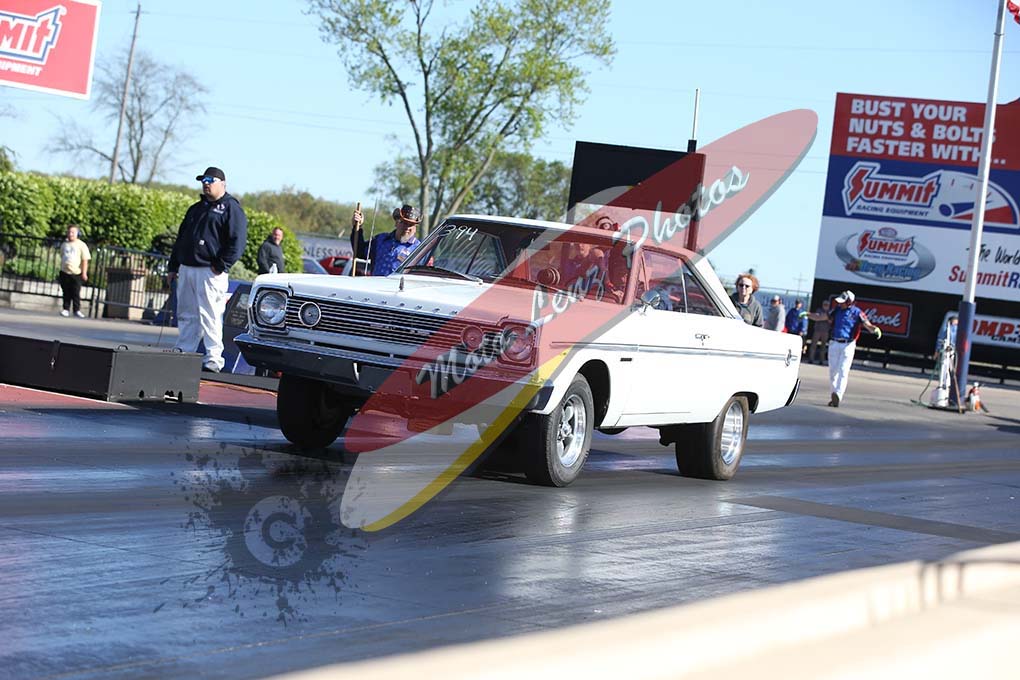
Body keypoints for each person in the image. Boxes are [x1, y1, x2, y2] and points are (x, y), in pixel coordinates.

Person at [168, 166, 248, 373]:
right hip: (188, 267)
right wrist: (173, 266)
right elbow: (181, 238)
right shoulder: (196, 208)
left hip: (209, 271)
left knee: (210, 314)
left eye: (211, 180)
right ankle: (184, 350)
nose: (206, 183)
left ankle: (213, 358)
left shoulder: (231, 208)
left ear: (223, 184)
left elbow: (237, 241)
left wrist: (221, 265)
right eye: (204, 180)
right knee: (187, 313)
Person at [803, 290, 882, 407]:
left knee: (843, 371)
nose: (840, 303)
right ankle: (834, 394)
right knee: (833, 372)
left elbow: (867, 325)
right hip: (834, 343)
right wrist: (807, 314)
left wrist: (875, 329)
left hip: (848, 345)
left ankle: (838, 395)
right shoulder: (836, 310)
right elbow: (821, 317)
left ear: (849, 302)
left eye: (843, 302)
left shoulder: (857, 313)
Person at [350, 204, 421, 276]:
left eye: (411, 225)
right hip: (375, 283)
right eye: (404, 223)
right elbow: (360, 251)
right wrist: (357, 227)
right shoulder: (381, 239)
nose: (407, 227)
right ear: (396, 223)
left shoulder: (419, 249)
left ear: (415, 228)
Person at [58, 224, 90, 318]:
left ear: (77, 233)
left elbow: (85, 260)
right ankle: (66, 309)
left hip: (76, 272)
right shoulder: (64, 244)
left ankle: (77, 310)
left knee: (76, 292)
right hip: (65, 271)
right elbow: (62, 256)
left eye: (73, 232)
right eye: (69, 232)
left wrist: (84, 272)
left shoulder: (81, 245)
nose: (70, 234)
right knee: (66, 291)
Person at [807, 299, 831, 364]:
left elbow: (830, 321)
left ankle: (821, 360)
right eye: (824, 304)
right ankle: (811, 359)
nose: (825, 306)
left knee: (823, 346)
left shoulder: (830, 312)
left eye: (827, 305)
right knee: (813, 345)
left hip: (825, 331)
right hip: (817, 330)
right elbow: (817, 318)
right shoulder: (819, 310)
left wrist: (823, 317)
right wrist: (823, 317)